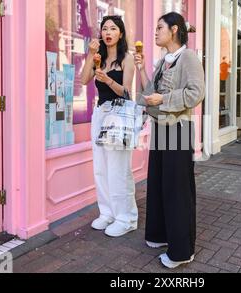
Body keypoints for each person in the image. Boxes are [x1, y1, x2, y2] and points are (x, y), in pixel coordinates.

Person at [134, 12, 205, 269]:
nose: (155, 32)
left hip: (179, 129)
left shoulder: (189, 57)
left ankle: (182, 251)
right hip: (161, 128)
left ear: (174, 30)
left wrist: (163, 99)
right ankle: (159, 234)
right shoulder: (164, 61)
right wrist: (141, 69)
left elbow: (196, 93)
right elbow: (148, 94)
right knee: (159, 184)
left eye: (160, 27)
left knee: (177, 190)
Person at [81, 15, 138, 238]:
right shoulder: (98, 58)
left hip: (119, 114)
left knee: (118, 169)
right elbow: (84, 79)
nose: (108, 32)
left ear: (120, 33)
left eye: (113, 28)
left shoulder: (127, 58)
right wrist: (89, 54)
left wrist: (108, 80)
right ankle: (107, 213)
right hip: (101, 113)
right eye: (105, 29)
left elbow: (126, 92)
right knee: (101, 168)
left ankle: (126, 217)